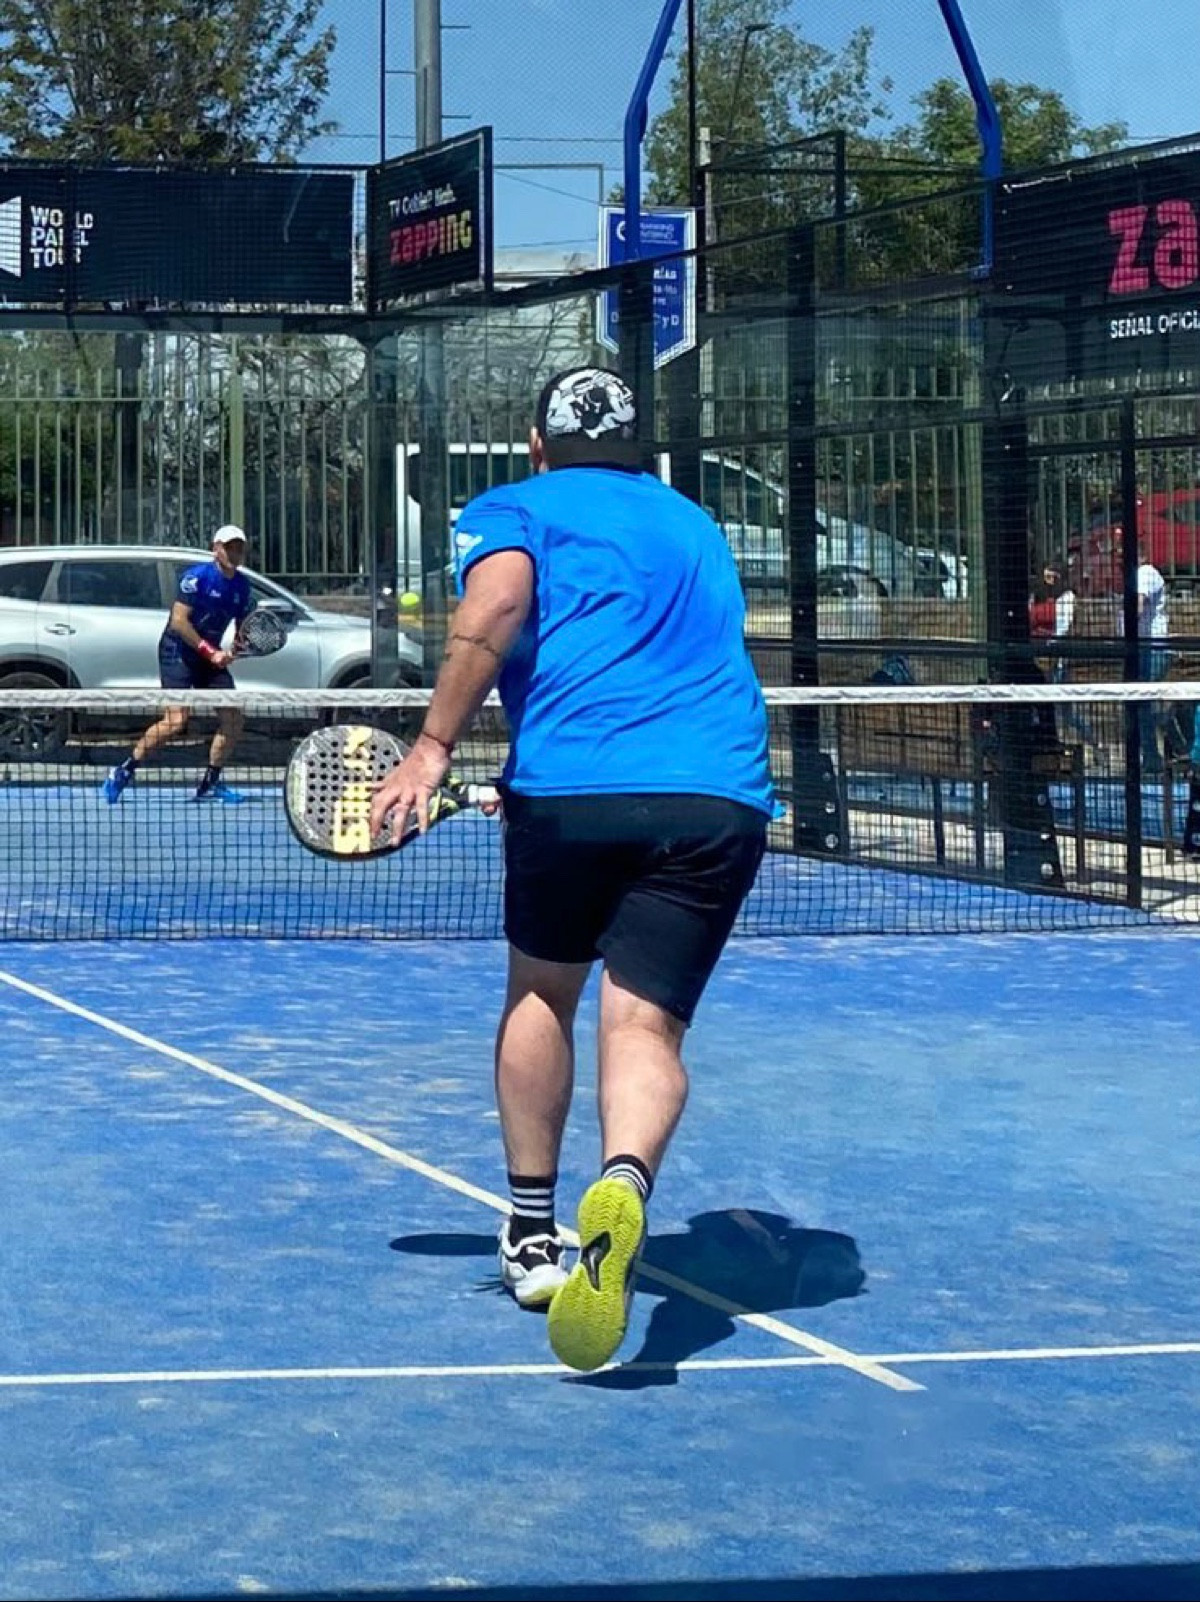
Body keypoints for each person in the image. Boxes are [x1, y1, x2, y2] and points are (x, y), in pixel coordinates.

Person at [369, 367, 774, 1373]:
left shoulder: (514, 506)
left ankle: (531, 1232)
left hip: (574, 791)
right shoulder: (696, 524)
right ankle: (624, 1181)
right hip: (716, 796)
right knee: (643, 1028)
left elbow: (500, 604)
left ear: (537, 443)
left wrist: (433, 746)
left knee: (542, 994)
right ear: (638, 446)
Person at [102, 525, 254, 805]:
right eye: (229, 547)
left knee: (233, 719)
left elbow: (243, 627)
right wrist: (210, 652)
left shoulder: (243, 587)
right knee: (176, 721)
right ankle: (123, 770)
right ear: (216, 549)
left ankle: (211, 783)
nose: (234, 553)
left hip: (209, 658)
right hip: (177, 651)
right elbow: (179, 622)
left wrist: (235, 649)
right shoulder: (196, 578)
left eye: (239, 548)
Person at [1029, 558, 1075, 684]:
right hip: (1035, 647)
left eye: (1053, 577)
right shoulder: (1035, 596)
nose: (1049, 581)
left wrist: (1051, 645)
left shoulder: (1066, 597)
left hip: (1054, 649)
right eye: (1047, 577)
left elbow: (1063, 626)